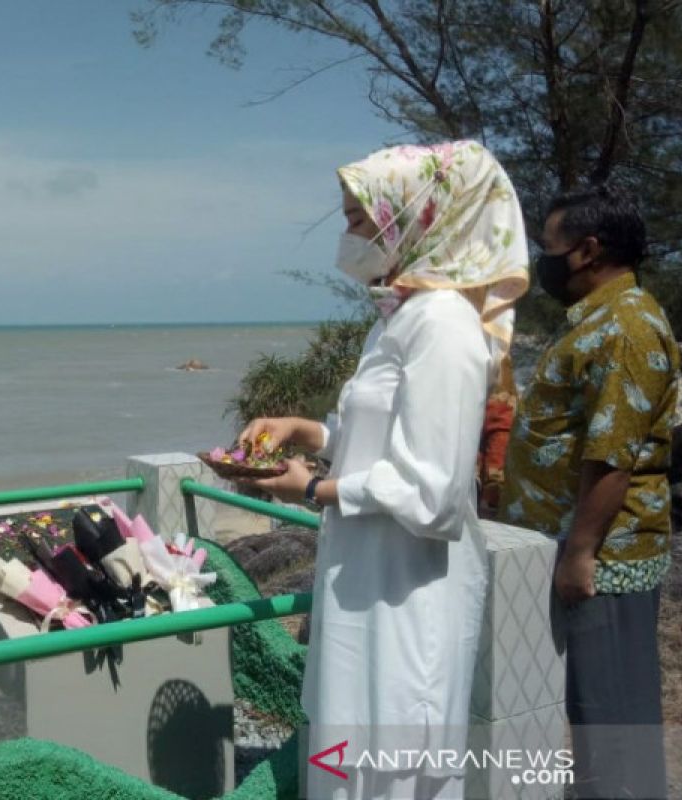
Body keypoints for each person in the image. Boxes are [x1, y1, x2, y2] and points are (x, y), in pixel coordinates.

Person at [240, 141, 529, 799]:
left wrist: (314, 487)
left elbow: (435, 491)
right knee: (345, 755)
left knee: (393, 769)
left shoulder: (446, 326)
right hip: (361, 581)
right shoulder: (397, 318)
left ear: (414, 218)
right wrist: (306, 430)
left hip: (407, 590)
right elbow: (375, 436)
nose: (347, 235)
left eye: (356, 218)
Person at [499, 184, 675, 799]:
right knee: (590, 712)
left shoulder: (626, 327)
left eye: (549, 246)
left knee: (613, 714)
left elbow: (612, 454)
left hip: (607, 560)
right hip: (579, 549)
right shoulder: (597, 319)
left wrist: (580, 553)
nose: (541, 260)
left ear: (587, 250)